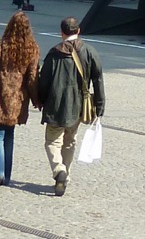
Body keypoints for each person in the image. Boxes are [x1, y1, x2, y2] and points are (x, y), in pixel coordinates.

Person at [37, 16, 104, 197]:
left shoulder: (54, 53)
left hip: (55, 103)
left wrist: (40, 100)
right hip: (78, 105)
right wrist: (99, 104)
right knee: (70, 140)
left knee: (52, 141)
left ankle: (59, 170)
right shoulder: (89, 51)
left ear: (62, 32)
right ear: (78, 31)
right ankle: (65, 174)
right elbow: (98, 79)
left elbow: (44, 80)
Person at [0, 10, 41, 191]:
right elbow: (32, 77)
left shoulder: (2, 44)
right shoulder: (33, 48)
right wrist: (37, 99)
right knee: (9, 137)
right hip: (18, 99)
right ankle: (6, 175)